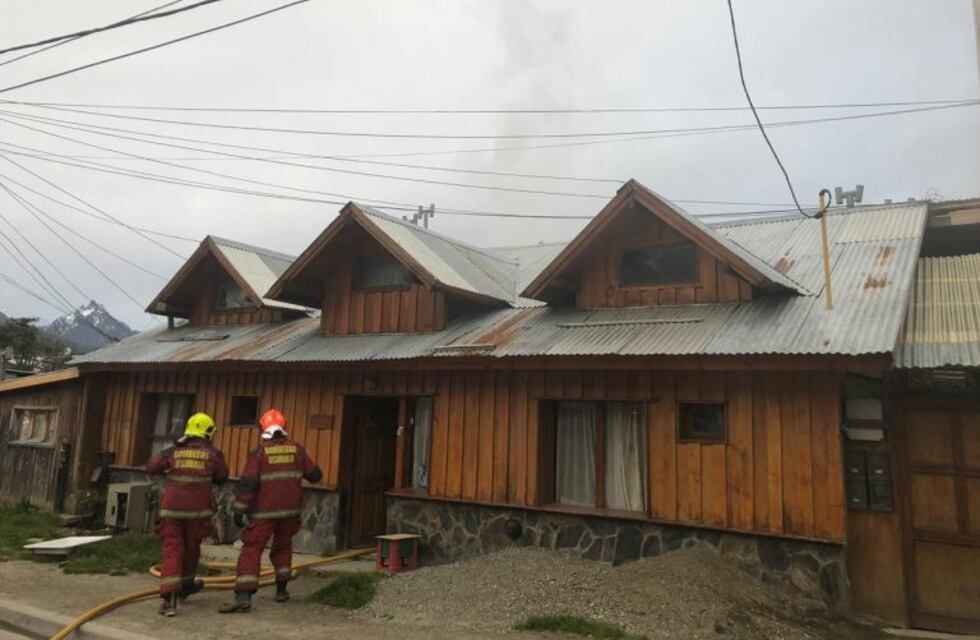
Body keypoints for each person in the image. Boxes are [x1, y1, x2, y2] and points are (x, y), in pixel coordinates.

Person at [219, 408, 322, 613]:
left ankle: (244, 595)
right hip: (290, 512)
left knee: (251, 549)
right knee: (283, 547)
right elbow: (315, 475)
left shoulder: (259, 453)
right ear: (284, 428)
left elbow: (248, 483)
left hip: (264, 513)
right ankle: (282, 590)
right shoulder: (297, 449)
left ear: (263, 429)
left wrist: (240, 509)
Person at [147, 412, 229, 617]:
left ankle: (169, 600)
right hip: (197, 513)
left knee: (172, 550)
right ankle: (184, 586)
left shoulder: (173, 451)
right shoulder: (214, 454)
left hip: (172, 511)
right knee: (191, 550)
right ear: (208, 432)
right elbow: (222, 477)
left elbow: (152, 466)